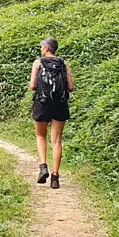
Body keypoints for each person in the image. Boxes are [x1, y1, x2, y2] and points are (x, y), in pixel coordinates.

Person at [29, 37, 74, 189]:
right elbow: (71, 87)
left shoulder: (38, 62)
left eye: (42, 46)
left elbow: (32, 86)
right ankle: (55, 177)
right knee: (56, 141)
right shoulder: (64, 63)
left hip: (42, 104)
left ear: (47, 48)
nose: (41, 48)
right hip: (60, 105)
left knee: (40, 136)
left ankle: (43, 167)